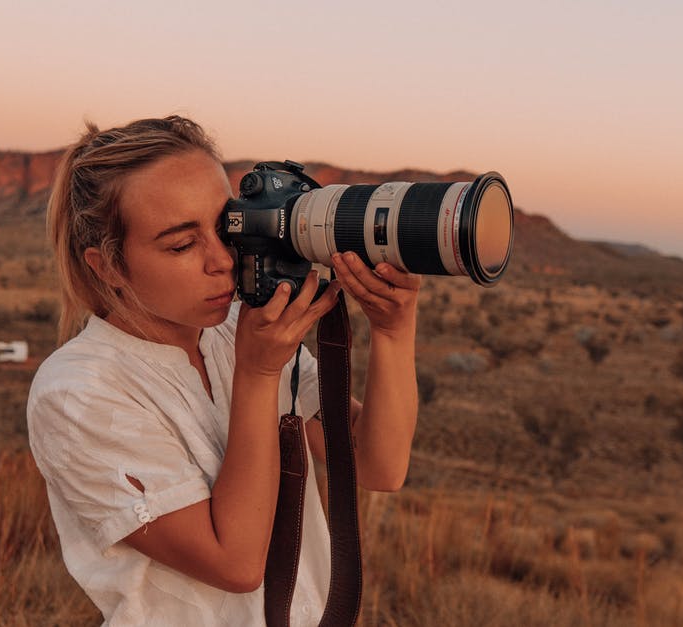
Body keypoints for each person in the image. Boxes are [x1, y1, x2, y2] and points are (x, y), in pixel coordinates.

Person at [27, 115, 420, 626]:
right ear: (107, 267)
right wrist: (258, 376)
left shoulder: (240, 330)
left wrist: (393, 331)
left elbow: (378, 465)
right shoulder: (78, 393)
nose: (221, 261)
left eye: (224, 227)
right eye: (181, 244)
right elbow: (234, 562)